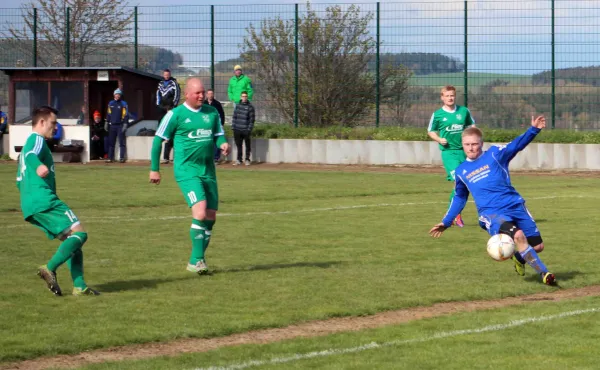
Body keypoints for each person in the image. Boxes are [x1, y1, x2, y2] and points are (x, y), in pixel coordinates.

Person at [429, 115, 556, 286]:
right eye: (467, 145)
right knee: (518, 235)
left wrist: (533, 130)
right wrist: (446, 221)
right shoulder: (461, 171)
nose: (471, 148)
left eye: (474, 144)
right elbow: (460, 197)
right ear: (463, 145)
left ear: (481, 143)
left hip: (515, 205)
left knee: (538, 246)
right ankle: (544, 274)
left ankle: (519, 258)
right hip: (491, 214)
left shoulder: (495, 154)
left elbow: (516, 146)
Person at [149, 77, 230, 275]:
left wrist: (222, 143)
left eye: (203, 92)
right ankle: (196, 261)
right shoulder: (176, 115)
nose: (202, 95)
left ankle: (197, 260)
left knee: (210, 217)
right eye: (197, 93)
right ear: (187, 94)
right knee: (200, 212)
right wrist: (154, 168)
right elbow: (158, 140)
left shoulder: (211, 113)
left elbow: (218, 134)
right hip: (186, 170)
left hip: (208, 171)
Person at [16, 106, 98, 296]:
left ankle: (79, 286)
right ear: (42, 122)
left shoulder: (30, 143)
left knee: (72, 241)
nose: (55, 127)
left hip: (31, 204)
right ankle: (49, 267)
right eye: (53, 123)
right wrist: (39, 168)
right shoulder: (36, 139)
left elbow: (19, 181)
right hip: (43, 199)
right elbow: (30, 156)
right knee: (80, 234)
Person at [427, 85, 475, 228]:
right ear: (442, 97)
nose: (450, 98)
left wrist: (471, 139)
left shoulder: (464, 111)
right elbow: (431, 131)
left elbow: (472, 126)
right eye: (447, 96)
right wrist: (439, 139)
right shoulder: (438, 114)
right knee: (458, 181)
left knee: (466, 184)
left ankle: (453, 213)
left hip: (464, 152)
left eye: (452, 95)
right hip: (449, 153)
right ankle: (455, 215)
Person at [156, 69, 181, 164]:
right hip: (162, 108)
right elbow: (158, 95)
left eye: (168, 74)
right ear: (163, 75)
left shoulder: (174, 83)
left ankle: (174, 156)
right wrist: (159, 105)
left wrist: (173, 106)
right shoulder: (160, 83)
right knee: (161, 131)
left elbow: (177, 95)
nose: (166, 76)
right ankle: (164, 157)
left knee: (172, 132)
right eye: (165, 74)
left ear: (170, 74)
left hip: (171, 108)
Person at [105, 88, 129, 163]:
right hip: (112, 125)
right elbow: (108, 114)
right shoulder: (111, 103)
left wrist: (125, 123)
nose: (117, 95)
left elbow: (126, 114)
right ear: (114, 95)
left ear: (120, 95)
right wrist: (106, 122)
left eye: (119, 94)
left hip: (120, 125)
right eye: (116, 94)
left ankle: (122, 158)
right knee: (111, 143)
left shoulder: (123, 103)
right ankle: (110, 158)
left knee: (121, 142)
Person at [231, 91, 255, 166]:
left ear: (247, 97)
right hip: (237, 129)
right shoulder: (237, 106)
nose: (244, 98)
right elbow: (234, 117)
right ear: (241, 97)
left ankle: (247, 159)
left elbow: (252, 119)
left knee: (247, 145)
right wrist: (233, 127)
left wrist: (249, 129)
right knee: (239, 145)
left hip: (246, 130)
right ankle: (239, 159)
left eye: (245, 96)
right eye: (243, 96)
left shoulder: (250, 107)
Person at [205, 89, 225, 163]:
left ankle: (216, 158)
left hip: (215, 125)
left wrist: (221, 124)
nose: (210, 95)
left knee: (216, 142)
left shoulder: (217, 104)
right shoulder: (203, 103)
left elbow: (222, 114)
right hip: (206, 126)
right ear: (207, 95)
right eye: (209, 94)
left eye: (212, 94)